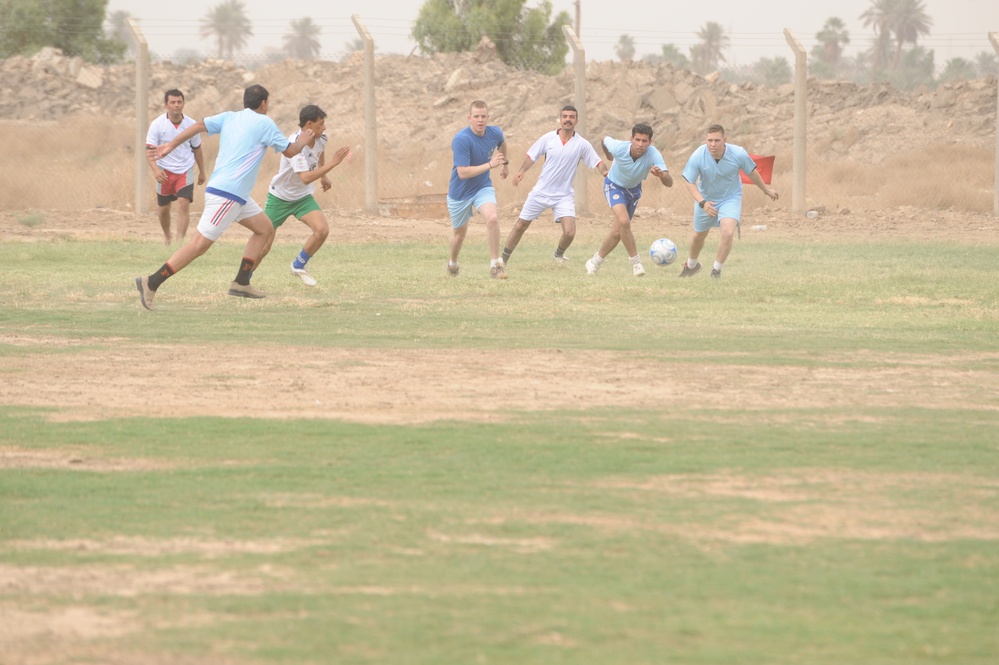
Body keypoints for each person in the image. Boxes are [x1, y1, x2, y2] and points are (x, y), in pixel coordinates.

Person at [134, 84, 313, 311]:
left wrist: (170, 144)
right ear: (264, 104)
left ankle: (242, 282)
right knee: (199, 245)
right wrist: (304, 140)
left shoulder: (230, 117)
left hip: (235, 194)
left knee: (265, 229)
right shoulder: (265, 123)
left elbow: (198, 126)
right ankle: (152, 282)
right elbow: (291, 150)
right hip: (227, 195)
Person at [500, 105, 608, 268]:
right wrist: (521, 171)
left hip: (563, 195)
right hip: (541, 192)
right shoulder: (548, 138)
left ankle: (558, 254)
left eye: (571, 117)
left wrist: (606, 173)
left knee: (570, 232)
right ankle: (503, 259)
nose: (568, 119)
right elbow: (532, 155)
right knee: (521, 225)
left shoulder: (582, 144)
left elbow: (597, 162)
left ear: (576, 121)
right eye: (565, 116)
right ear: (560, 119)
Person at [261, 104, 351, 287]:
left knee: (322, 230)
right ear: (309, 124)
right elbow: (305, 178)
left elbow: (320, 151)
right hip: (280, 197)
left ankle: (298, 265)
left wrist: (324, 174)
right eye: (321, 124)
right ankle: (244, 279)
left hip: (302, 198)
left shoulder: (321, 138)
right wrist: (332, 165)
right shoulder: (295, 145)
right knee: (263, 246)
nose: (324, 127)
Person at [678, 124, 778, 278]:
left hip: (730, 198)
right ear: (705, 140)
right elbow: (688, 182)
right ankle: (691, 266)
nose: (713, 144)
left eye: (717, 140)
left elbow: (752, 174)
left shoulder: (738, 153)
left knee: (727, 232)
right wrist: (703, 203)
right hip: (705, 199)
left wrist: (766, 191)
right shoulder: (698, 155)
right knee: (699, 236)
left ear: (724, 140)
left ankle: (716, 271)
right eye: (709, 140)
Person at [585, 123, 673, 277]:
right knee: (624, 222)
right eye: (637, 140)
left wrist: (661, 176)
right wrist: (609, 156)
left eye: (644, 141)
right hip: (613, 186)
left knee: (618, 232)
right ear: (631, 139)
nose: (640, 144)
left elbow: (669, 182)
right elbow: (604, 139)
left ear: (650, 142)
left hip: (633, 191)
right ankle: (636, 263)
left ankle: (594, 262)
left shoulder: (653, 154)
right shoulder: (619, 147)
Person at [447, 100, 509, 279]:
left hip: (482, 186)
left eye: (483, 116)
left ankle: (495, 266)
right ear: (469, 118)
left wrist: (505, 164)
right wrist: (491, 164)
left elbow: (502, 143)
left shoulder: (494, 132)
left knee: (492, 218)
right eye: (476, 116)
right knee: (459, 236)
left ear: (488, 117)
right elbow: (463, 173)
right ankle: (453, 263)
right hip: (460, 193)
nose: (480, 120)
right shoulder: (461, 139)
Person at [145, 89, 206, 245]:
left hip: (185, 170)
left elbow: (197, 149)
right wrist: (156, 170)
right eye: (172, 102)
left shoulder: (191, 124)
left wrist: (202, 172)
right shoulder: (157, 124)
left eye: (179, 102)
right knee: (164, 208)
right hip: (164, 171)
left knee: (183, 204)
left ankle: (179, 243)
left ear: (183, 104)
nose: (176, 105)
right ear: (166, 105)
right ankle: (167, 236)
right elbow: (150, 151)